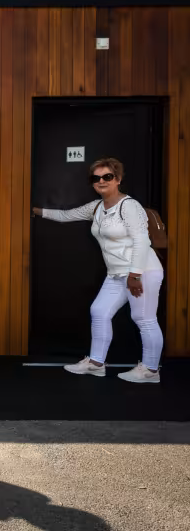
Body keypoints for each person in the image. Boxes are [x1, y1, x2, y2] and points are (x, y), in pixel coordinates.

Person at [32, 157, 163, 383]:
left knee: (144, 318)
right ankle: (96, 364)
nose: (101, 181)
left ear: (118, 179)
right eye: (96, 178)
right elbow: (65, 215)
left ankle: (151, 371)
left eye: (107, 177)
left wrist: (135, 275)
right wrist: (35, 210)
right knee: (100, 311)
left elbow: (142, 241)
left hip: (142, 271)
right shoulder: (96, 208)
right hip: (116, 274)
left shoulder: (129, 206)